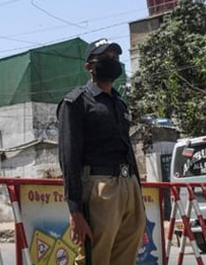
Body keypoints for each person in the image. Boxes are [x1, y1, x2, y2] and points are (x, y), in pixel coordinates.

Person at [57, 38, 145, 265]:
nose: (112, 61)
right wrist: (75, 210)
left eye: (115, 57)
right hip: (99, 187)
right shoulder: (76, 103)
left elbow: (128, 150)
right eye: (105, 58)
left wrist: (137, 191)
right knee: (95, 257)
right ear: (89, 66)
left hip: (128, 185)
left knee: (126, 257)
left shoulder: (119, 103)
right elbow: (69, 157)